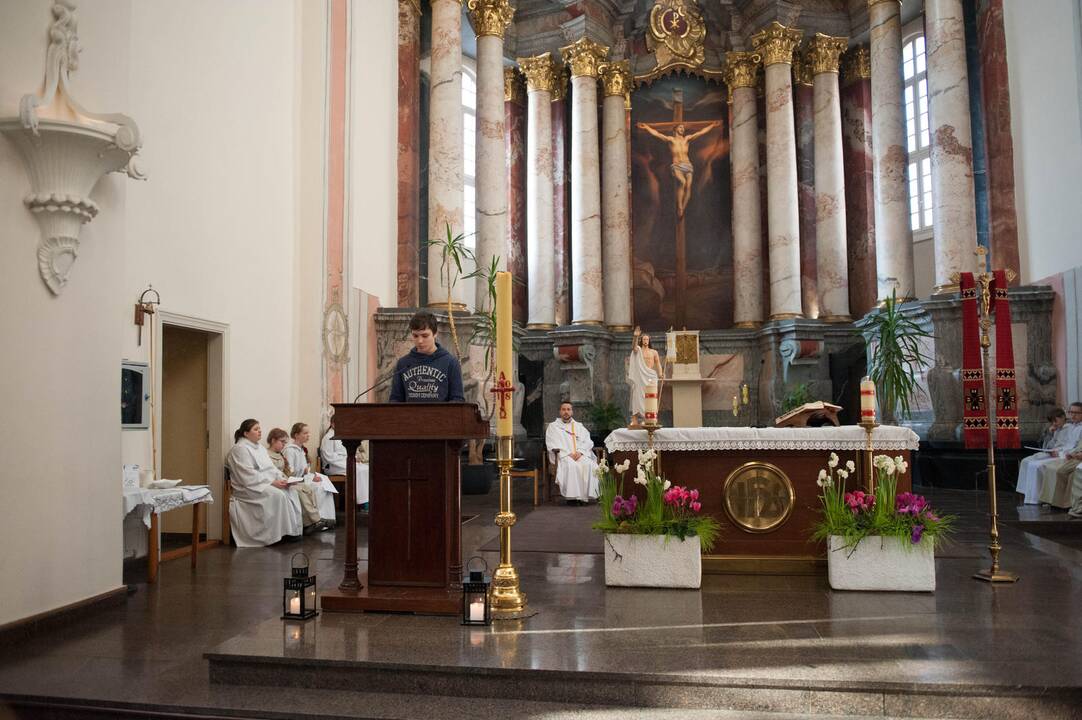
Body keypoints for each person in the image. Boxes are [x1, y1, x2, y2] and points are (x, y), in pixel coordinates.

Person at [224, 419, 302, 547]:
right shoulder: (240, 449)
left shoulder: (259, 448)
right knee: (278, 495)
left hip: (263, 483)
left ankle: (289, 531)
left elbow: (271, 468)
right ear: (245, 433)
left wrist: (282, 479)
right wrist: (272, 483)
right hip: (248, 488)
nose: (260, 431)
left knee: (291, 491)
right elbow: (247, 475)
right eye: (255, 429)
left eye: (259, 428)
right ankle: (273, 535)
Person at [636, 120, 720, 217]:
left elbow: (701, 132)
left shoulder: (687, 139)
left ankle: (683, 208)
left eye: (683, 128)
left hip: (688, 165)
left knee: (688, 187)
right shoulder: (671, 140)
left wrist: (712, 125)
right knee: (682, 182)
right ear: (675, 130)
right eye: (680, 127)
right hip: (677, 165)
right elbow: (657, 134)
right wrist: (647, 127)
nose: (682, 129)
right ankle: (679, 206)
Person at [389, 311, 465, 403]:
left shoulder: (450, 362)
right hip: (410, 417)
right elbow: (395, 400)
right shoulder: (403, 363)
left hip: (440, 416)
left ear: (435, 333)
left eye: (425, 335)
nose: (420, 341)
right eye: (415, 336)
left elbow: (457, 400)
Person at [266, 428, 330, 534]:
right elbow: (269, 473)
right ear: (273, 440)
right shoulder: (266, 454)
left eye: (285, 442)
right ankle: (315, 521)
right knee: (299, 491)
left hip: (285, 480)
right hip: (276, 482)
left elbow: (286, 471)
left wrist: (292, 478)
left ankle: (310, 522)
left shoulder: (280, 454)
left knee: (307, 488)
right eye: (282, 442)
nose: (284, 445)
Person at [1016, 402, 1082, 504]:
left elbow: (1074, 447)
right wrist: (1050, 434)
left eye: (1076, 413)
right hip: (1060, 452)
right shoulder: (1071, 426)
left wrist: (1060, 453)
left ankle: (1038, 497)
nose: (1072, 415)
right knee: (1028, 462)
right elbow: (1058, 444)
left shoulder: (1075, 427)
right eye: (1071, 412)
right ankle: (1028, 494)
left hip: (1067, 455)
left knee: (1037, 466)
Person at [283, 423, 338, 525]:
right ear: (296, 435)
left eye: (308, 433)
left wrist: (311, 476)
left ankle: (328, 518)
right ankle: (318, 519)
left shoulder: (301, 450)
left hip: (303, 479)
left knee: (324, 485)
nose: (308, 435)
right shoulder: (290, 450)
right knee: (319, 488)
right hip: (295, 482)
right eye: (305, 433)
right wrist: (307, 476)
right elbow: (289, 472)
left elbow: (305, 470)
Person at [545, 401, 599, 505]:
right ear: (560, 412)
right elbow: (551, 443)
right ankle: (572, 498)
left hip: (579, 454)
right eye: (563, 409)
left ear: (572, 412)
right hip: (563, 456)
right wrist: (568, 454)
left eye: (568, 409)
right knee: (572, 466)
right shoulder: (553, 427)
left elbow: (588, 441)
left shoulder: (579, 426)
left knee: (588, 465)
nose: (566, 412)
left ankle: (584, 497)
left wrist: (581, 452)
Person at [318, 418, 370, 507]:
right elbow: (329, 457)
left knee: (366, 468)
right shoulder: (328, 437)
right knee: (358, 470)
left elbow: (345, 452)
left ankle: (367, 498)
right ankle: (362, 503)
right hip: (332, 466)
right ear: (333, 424)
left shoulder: (339, 435)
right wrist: (348, 460)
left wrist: (354, 458)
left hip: (341, 463)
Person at [627, 326, 661, 427]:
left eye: (647, 339)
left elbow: (658, 363)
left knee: (650, 396)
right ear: (641, 340)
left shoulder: (654, 352)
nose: (645, 340)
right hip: (640, 376)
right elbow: (633, 347)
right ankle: (635, 418)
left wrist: (661, 373)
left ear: (649, 340)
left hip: (651, 375)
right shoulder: (638, 350)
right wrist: (635, 337)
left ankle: (649, 417)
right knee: (637, 395)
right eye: (644, 339)